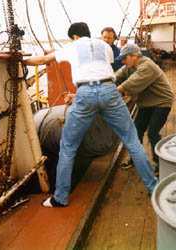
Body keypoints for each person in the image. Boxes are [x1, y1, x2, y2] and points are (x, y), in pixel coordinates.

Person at [24, 22, 157, 207]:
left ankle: (60, 198)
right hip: (109, 90)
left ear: (75, 37)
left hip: (84, 93)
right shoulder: (104, 46)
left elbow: (42, 61)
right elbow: (104, 69)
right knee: (132, 141)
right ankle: (154, 188)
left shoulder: (72, 46)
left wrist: (21, 61)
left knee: (68, 147)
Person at [114, 44, 174, 176]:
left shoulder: (147, 66)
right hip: (146, 104)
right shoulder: (129, 67)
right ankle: (136, 158)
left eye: (125, 58)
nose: (123, 62)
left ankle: (160, 163)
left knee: (152, 132)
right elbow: (116, 77)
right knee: (137, 130)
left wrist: (108, 92)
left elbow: (128, 85)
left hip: (162, 102)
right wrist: (104, 83)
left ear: (135, 55)